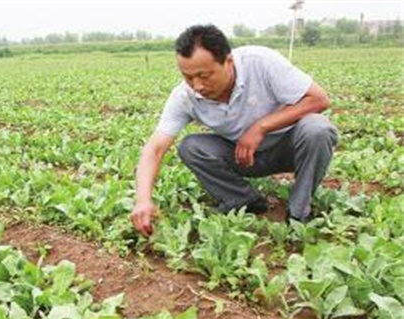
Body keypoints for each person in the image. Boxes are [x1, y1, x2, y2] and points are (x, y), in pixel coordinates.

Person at [130, 24, 338, 237]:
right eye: (188, 77)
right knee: (191, 147)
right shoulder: (185, 96)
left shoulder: (260, 62)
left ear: (228, 62)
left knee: (318, 128)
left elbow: (319, 99)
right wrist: (143, 199)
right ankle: (244, 200)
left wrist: (261, 127)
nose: (197, 86)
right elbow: (155, 149)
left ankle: (298, 213)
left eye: (205, 75)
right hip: (243, 157)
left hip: (290, 149)